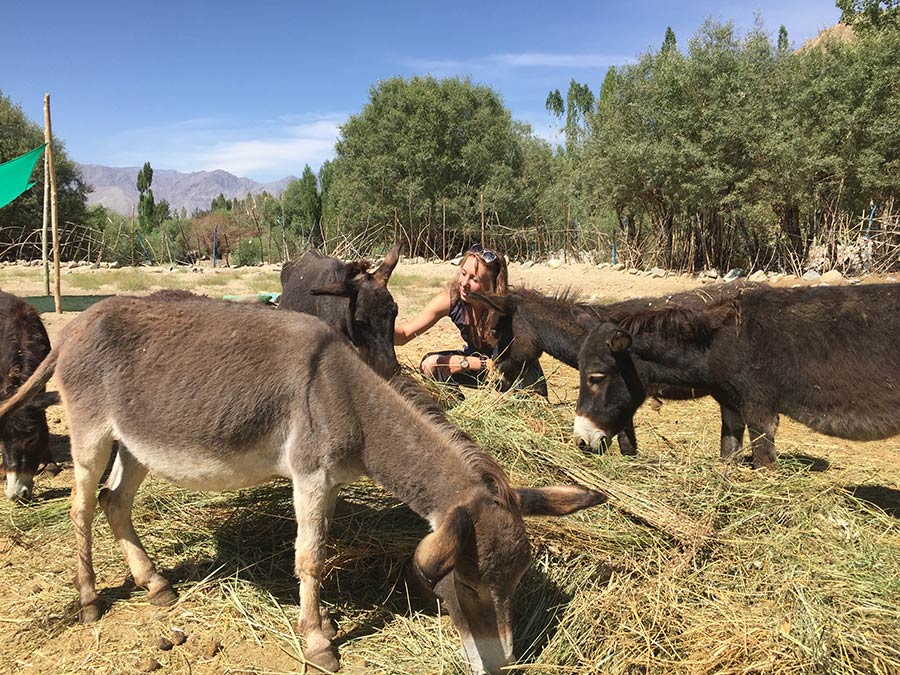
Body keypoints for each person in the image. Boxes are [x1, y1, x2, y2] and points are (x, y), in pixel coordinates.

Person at [395, 243, 545, 392]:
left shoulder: (508, 310)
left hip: (517, 375)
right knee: (430, 365)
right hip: (481, 367)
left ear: (492, 285)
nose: (464, 283)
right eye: (463, 273)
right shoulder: (451, 300)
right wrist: (373, 327)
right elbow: (403, 335)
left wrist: (464, 363)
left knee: (513, 380)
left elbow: (509, 363)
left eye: (475, 279)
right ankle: (451, 410)